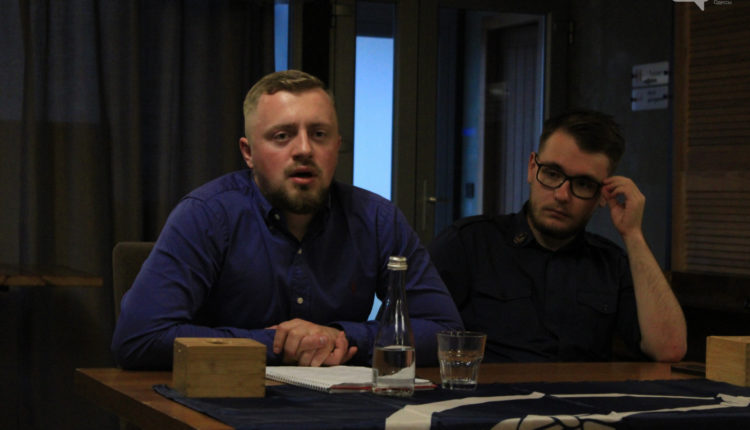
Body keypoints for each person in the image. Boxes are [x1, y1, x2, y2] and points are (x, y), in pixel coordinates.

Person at [112, 70, 463, 369]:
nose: (304, 150)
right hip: (226, 401)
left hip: (342, 406)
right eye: (282, 136)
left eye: (319, 134)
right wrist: (277, 344)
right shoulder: (205, 215)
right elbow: (138, 339)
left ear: (337, 145)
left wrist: (345, 337)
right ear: (248, 152)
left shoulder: (376, 219)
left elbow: (446, 332)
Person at [429, 109, 687, 363]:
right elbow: (412, 336)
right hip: (489, 389)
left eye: (583, 184)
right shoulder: (468, 243)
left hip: (582, 391)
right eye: (552, 174)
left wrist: (633, 234)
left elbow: (670, 349)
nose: (562, 195)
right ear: (532, 168)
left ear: (602, 195)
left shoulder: (610, 264)